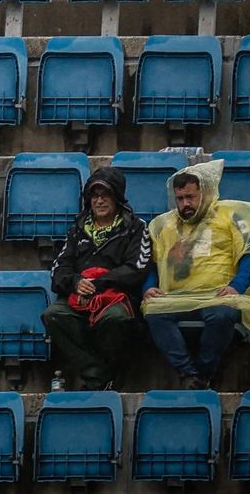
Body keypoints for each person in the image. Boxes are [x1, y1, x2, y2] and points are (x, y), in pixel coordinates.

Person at [142, 159, 250, 389]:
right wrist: (148, 287)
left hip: (218, 295)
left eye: (191, 197)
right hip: (176, 297)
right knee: (154, 313)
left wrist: (236, 287)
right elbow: (150, 264)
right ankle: (189, 373)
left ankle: (202, 374)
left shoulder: (231, 215)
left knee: (221, 314)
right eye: (180, 199)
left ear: (205, 193)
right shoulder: (163, 225)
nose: (185, 204)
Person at [40, 167, 151, 391]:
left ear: (117, 197)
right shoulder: (77, 230)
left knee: (115, 319)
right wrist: (75, 282)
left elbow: (137, 268)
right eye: (94, 195)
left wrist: (100, 282)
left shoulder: (136, 228)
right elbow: (59, 268)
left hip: (117, 297)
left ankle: (100, 378)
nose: (99, 201)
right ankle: (98, 375)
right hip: (79, 298)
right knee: (53, 315)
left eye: (105, 195)